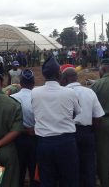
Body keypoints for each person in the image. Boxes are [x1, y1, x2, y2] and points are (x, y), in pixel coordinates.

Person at [31, 56, 81, 187]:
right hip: (66, 143)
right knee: (69, 180)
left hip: (44, 143)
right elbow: (77, 113)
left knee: (47, 180)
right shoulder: (70, 92)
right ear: (59, 74)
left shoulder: (35, 92)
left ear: (44, 74)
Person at [61, 67, 105, 187]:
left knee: (71, 167)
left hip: (68, 134)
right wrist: (92, 132)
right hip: (87, 132)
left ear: (64, 79)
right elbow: (98, 117)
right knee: (89, 166)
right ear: (76, 78)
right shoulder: (89, 92)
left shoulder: (62, 92)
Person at [11, 69, 39, 187]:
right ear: (33, 83)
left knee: (19, 170)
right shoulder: (39, 97)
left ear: (20, 83)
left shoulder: (12, 98)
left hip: (17, 139)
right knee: (34, 169)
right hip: (35, 138)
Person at [91, 58, 109, 187]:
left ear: (104, 69)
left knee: (105, 158)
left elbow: (91, 109)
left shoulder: (96, 85)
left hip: (103, 124)